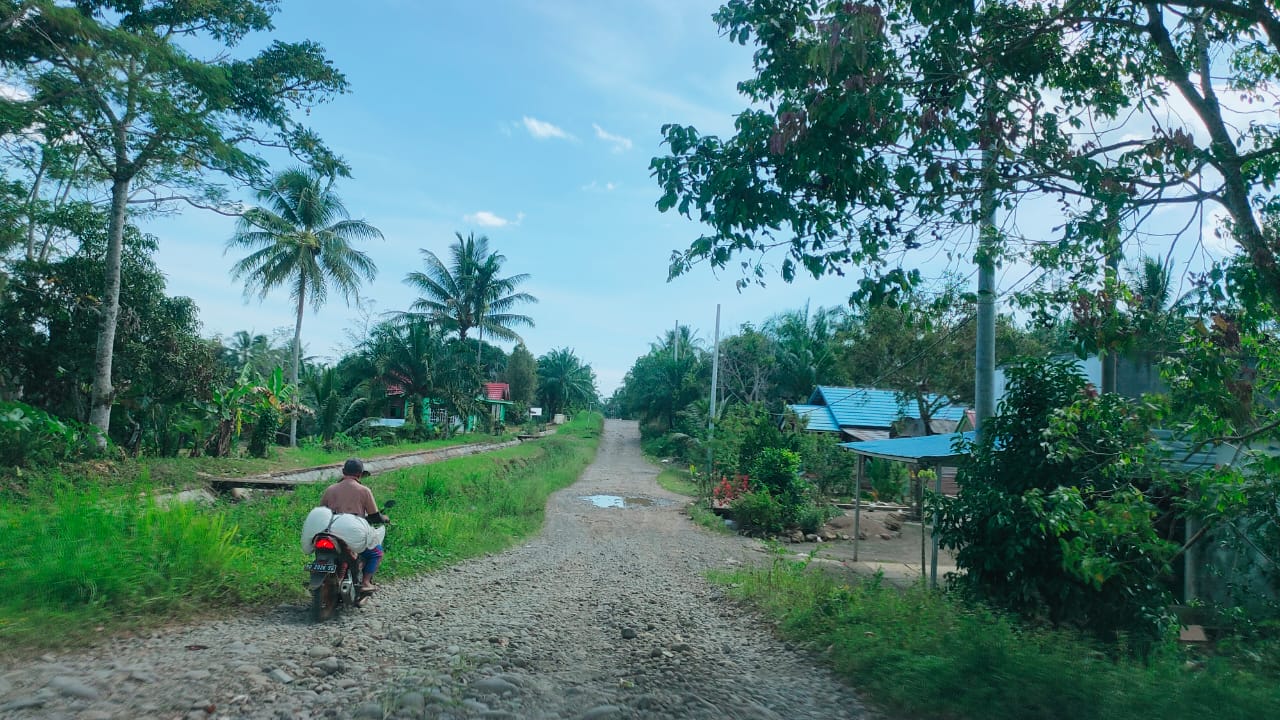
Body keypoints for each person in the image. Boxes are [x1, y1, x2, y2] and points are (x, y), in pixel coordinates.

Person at [321, 458, 387, 593]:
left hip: (330, 532)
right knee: (377, 553)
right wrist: (384, 518)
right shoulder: (364, 490)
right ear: (360, 474)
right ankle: (366, 582)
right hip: (353, 533)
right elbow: (374, 516)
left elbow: (321, 512)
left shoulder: (330, 489)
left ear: (343, 471)